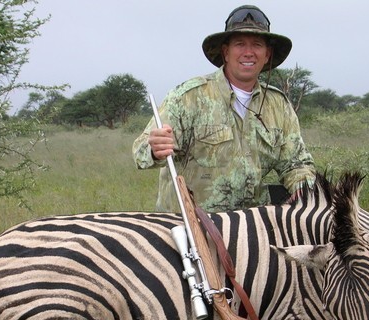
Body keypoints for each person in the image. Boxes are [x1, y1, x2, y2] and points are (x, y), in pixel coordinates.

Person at [132, 4, 315, 213]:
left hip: (250, 227)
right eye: (240, 44)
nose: (248, 53)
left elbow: (296, 165)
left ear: (267, 54)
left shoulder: (278, 104)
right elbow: (140, 153)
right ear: (226, 52)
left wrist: (307, 192)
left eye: (257, 44)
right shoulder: (188, 97)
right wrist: (155, 150)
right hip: (188, 228)